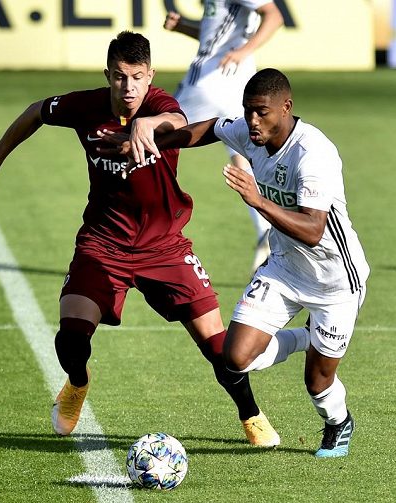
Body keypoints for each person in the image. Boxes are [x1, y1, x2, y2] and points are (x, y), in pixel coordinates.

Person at [0, 31, 281, 447]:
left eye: (137, 77)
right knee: (71, 337)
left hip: (165, 245)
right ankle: (77, 384)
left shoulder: (160, 107)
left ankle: (251, 414)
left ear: (150, 76)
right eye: (119, 77)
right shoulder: (86, 106)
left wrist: (149, 125)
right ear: (108, 75)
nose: (128, 87)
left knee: (219, 348)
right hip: (103, 243)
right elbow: (36, 112)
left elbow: (177, 122)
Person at [98, 68, 370, 458]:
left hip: (336, 281)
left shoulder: (314, 153)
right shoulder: (250, 131)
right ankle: (305, 338)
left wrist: (258, 200)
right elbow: (209, 129)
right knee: (235, 357)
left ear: (286, 108)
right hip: (285, 268)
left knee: (318, 382)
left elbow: (312, 229)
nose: (252, 121)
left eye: (261, 112)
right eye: (247, 112)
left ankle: (337, 423)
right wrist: (153, 144)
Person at [163, 0, 284, 274]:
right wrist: (183, 26)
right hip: (233, 82)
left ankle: (135, 222)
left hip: (211, 81)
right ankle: (266, 229)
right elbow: (215, 34)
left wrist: (242, 52)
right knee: (242, 156)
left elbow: (274, 16)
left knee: (152, 137)